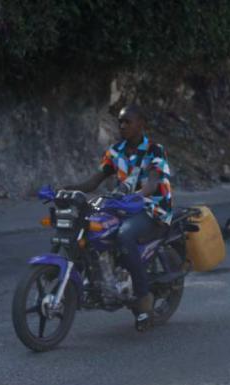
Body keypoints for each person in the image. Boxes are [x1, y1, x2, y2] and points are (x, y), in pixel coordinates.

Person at [63, 104, 171, 331]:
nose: (122, 126)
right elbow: (94, 181)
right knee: (91, 226)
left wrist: (135, 195)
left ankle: (143, 301)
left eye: (127, 121)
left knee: (124, 236)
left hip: (151, 208)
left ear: (141, 124)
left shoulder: (155, 150)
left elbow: (152, 184)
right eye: (120, 122)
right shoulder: (115, 151)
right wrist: (67, 189)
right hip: (122, 207)